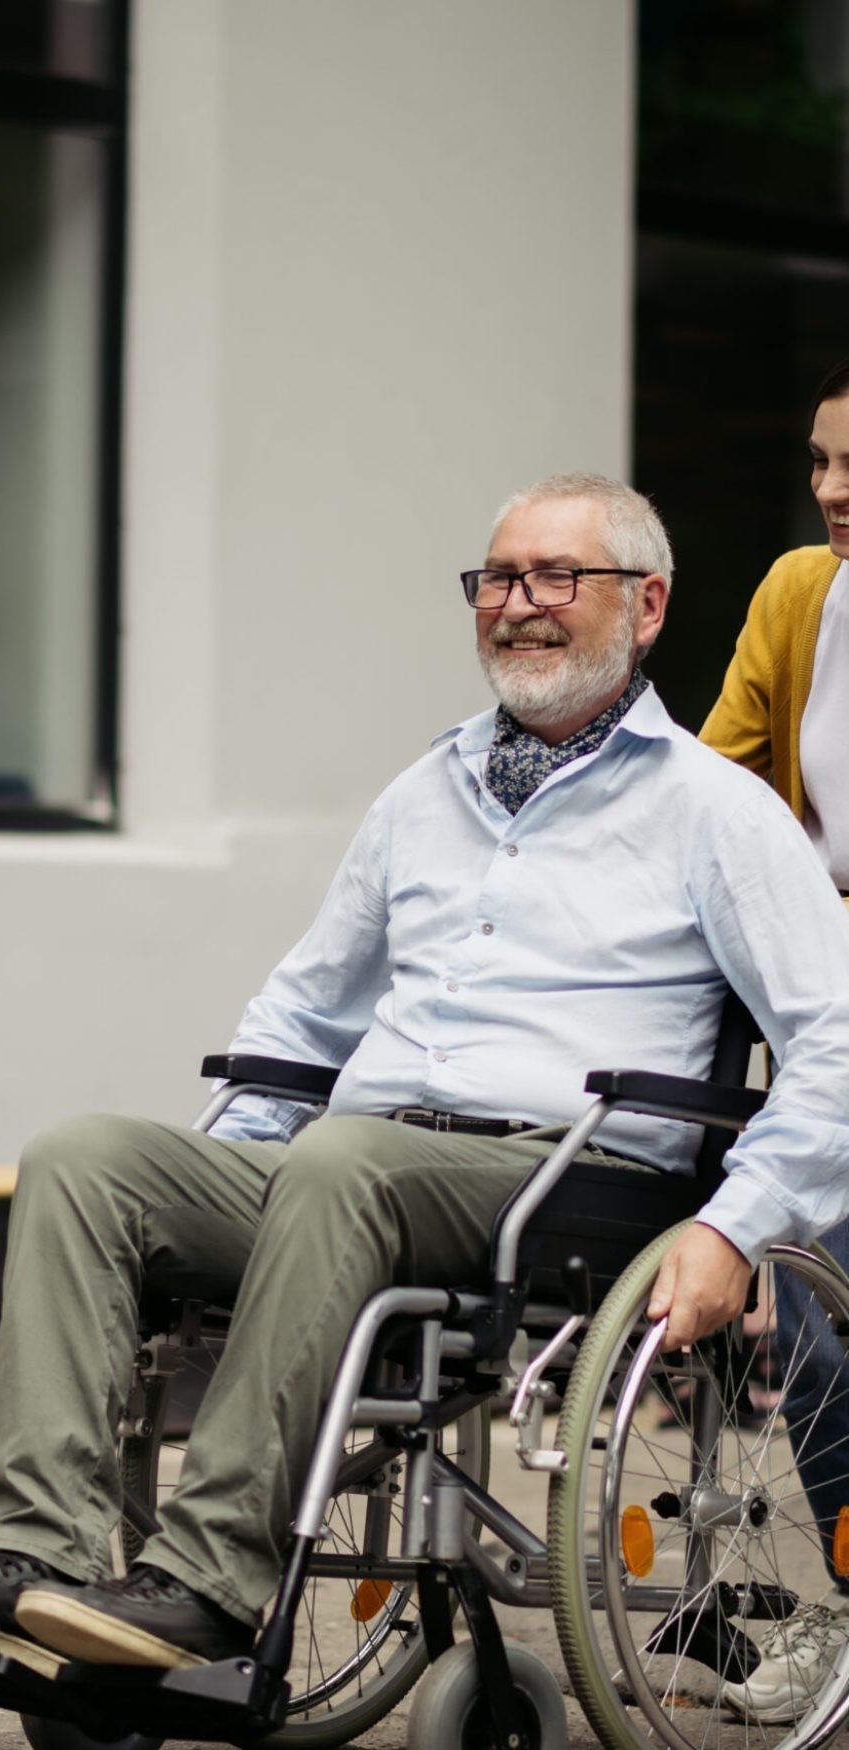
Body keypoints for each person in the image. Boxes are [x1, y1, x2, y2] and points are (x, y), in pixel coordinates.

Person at [0, 472, 849, 1688]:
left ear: (646, 607)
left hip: (567, 1182)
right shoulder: (423, 794)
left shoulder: (717, 813)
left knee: (341, 1160)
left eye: (555, 579)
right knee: (87, 1158)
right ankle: (31, 1559)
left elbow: (833, 1041)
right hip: (356, 1168)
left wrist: (737, 1227)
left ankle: (205, 1581)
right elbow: (304, 1013)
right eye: (497, 580)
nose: (518, 605)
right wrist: (225, 1170)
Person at [700, 358, 849, 1724]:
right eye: (817, 460)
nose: (829, 490)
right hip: (828, 981)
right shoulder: (798, 590)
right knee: (808, 1299)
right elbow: (717, 779)